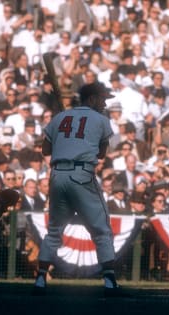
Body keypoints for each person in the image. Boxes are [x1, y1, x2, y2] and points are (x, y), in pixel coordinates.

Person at [33, 82, 125, 297]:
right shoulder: (101, 120)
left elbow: (46, 149)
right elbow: (101, 155)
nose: (104, 103)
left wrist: (66, 141)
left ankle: (40, 279)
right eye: (102, 99)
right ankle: (110, 283)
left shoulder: (59, 118)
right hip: (82, 174)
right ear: (91, 99)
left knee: (54, 229)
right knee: (102, 229)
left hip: (57, 175)